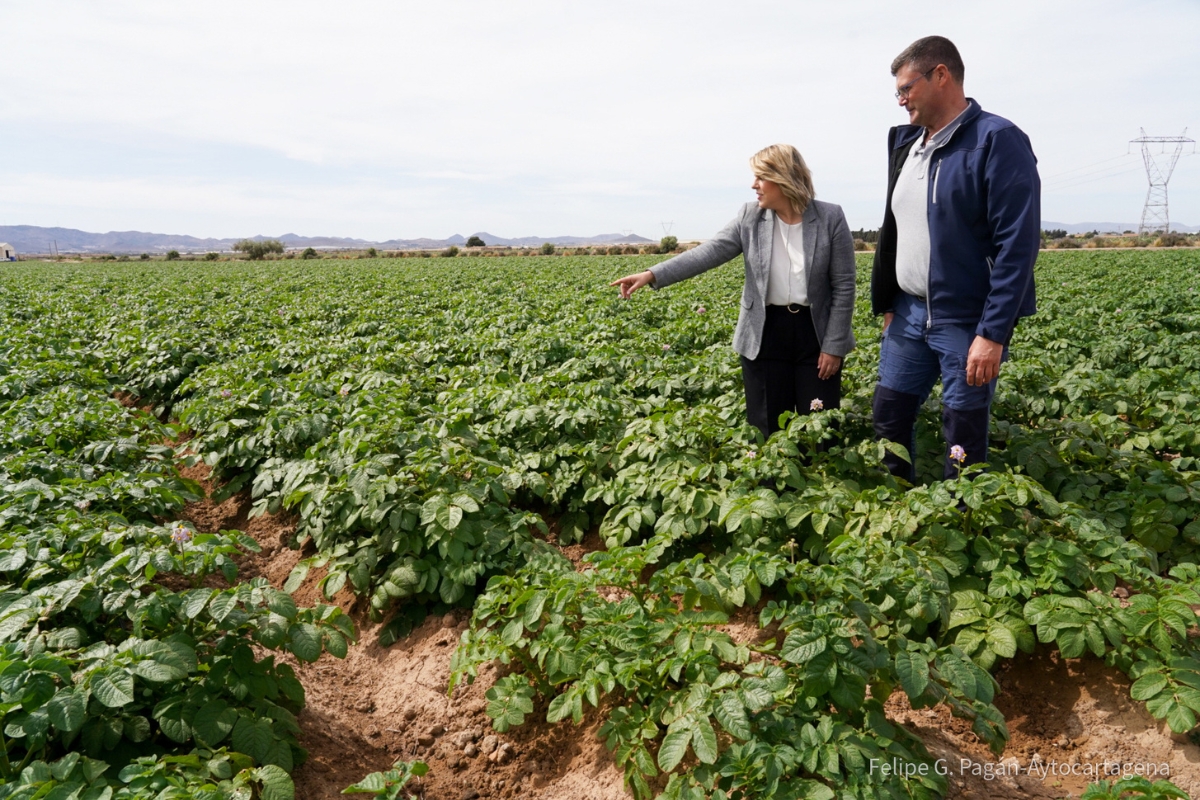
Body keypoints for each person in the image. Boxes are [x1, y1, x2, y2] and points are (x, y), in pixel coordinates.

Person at [870, 35, 1039, 482]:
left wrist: (993, 332)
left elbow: (1017, 246)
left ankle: (959, 518)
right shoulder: (908, 146)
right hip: (908, 313)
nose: (901, 101)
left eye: (906, 89)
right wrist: (888, 300)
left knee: (962, 432)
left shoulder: (996, 140)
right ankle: (896, 505)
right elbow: (895, 233)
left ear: (941, 75)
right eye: (898, 93)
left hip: (966, 318)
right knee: (888, 415)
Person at [611, 144, 856, 439]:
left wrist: (834, 346)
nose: (754, 186)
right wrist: (652, 274)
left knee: (819, 429)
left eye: (760, 177)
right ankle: (773, 485)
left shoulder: (830, 217)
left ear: (783, 178)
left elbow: (844, 286)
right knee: (768, 429)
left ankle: (818, 483)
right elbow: (708, 253)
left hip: (815, 335)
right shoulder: (750, 217)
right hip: (764, 334)